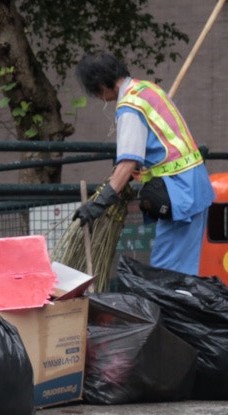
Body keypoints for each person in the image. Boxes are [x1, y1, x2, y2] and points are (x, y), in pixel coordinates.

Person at [73, 52, 215, 275]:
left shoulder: (130, 106)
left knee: (167, 271)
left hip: (180, 192)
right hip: (194, 185)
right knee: (183, 270)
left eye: (97, 91)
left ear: (101, 83)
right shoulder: (148, 89)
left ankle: (171, 310)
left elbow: (129, 161)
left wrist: (100, 203)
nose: (100, 98)